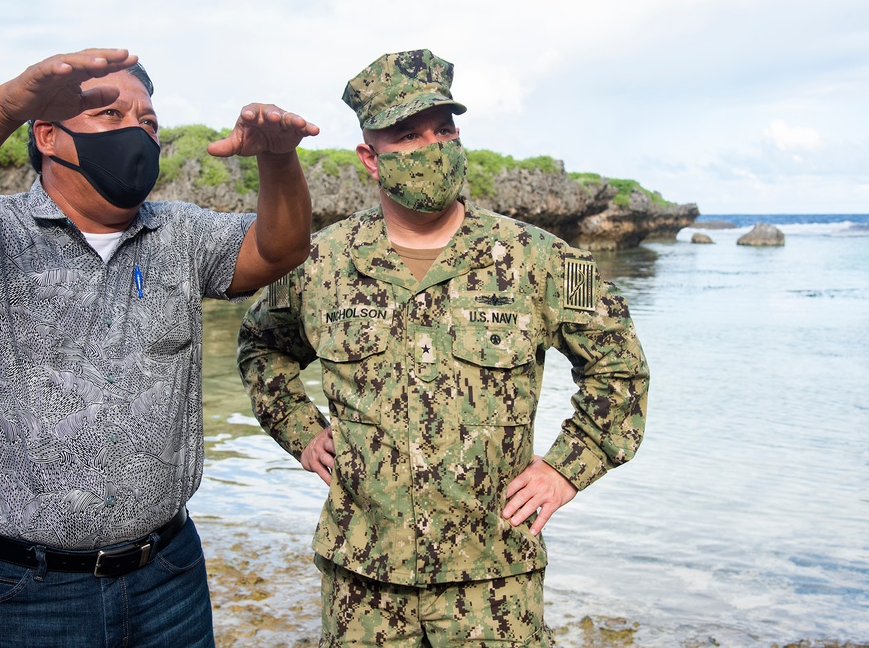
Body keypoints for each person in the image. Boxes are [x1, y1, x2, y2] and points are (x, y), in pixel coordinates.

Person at [0, 48, 319, 647]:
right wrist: (7, 106)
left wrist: (279, 159)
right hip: (19, 592)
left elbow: (279, 249)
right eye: (111, 115)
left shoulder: (179, 235)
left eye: (149, 122)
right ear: (49, 136)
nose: (138, 132)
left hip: (168, 576)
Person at [237, 49, 649, 647]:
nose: (433, 146)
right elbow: (260, 348)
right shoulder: (318, 263)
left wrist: (566, 469)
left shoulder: (540, 258)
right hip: (364, 585)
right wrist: (301, 431)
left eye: (444, 128)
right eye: (407, 134)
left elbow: (620, 370)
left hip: (493, 587)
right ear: (370, 159)